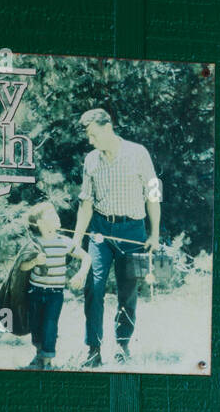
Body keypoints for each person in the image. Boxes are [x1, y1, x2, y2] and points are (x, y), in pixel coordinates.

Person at [70, 107, 161, 368]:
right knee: (93, 287)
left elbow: (153, 196)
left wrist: (154, 234)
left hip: (134, 231)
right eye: (87, 136)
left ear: (107, 126)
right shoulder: (91, 160)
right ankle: (93, 350)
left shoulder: (138, 153)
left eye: (92, 134)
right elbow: (85, 203)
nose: (90, 140)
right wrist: (77, 240)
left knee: (129, 290)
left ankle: (122, 346)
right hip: (99, 231)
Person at [20, 201, 90, 369]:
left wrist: (81, 274)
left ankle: (47, 362)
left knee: (50, 325)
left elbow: (87, 257)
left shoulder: (64, 242)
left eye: (55, 212)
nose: (56, 216)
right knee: (36, 326)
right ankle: (38, 356)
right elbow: (22, 266)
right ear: (40, 223)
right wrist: (35, 261)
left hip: (55, 294)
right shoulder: (34, 244)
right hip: (35, 292)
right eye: (50, 214)